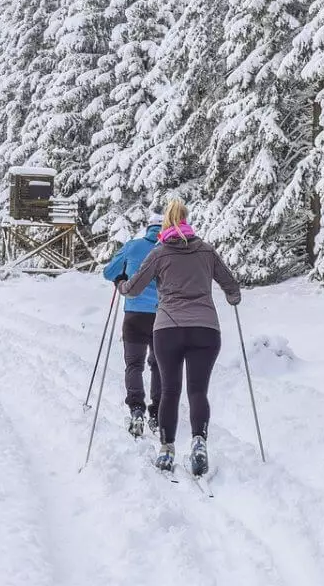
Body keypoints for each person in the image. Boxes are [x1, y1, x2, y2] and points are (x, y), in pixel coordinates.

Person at [118, 198, 240, 476]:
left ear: (166, 225)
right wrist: (233, 297)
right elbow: (230, 284)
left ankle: (167, 449)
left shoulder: (160, 253)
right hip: (206, 329)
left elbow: (135, 287)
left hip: (168, 329)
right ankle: (198, 441)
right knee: (198, 391)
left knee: (171, 391)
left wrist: (122, 286)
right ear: (187, 221)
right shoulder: (207, 251)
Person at [102, 213, 165, 437]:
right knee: (159, 365)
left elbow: (108, 272)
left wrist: (120, 277)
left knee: (134, 365)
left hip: (135, 314)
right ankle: (157, 413)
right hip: (163, 316)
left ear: (147, 228)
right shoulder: (170, 250)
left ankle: (136, 409)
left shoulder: (133, 246)